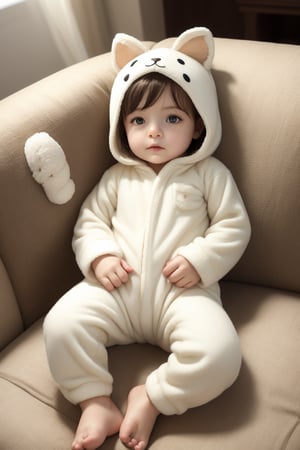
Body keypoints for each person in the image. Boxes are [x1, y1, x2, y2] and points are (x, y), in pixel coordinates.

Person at [43, 27, 251, 450]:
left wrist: (201, 259)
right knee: (61, 325)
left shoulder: (208, 174)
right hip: (115, 291)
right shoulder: (117, 178)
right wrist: (99, 257)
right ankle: (95, 400)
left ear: (198, 127)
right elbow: (90, 222)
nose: (153, 132)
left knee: (221, 356)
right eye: (139, 120)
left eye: (172, 118)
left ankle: (152, 397)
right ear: (123, 126)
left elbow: (233, 225)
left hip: (182, 295)